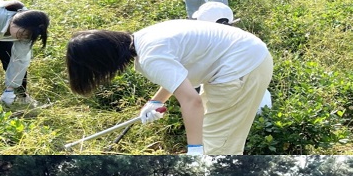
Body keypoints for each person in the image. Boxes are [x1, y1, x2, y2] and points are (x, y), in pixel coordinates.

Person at [65, 18, 273, 155]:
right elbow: (178, 73)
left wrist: (194, 150)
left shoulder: (150, 58)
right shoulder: (144, 38)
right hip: (247, 56)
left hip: (242, 68)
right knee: (214, 136)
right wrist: (156, 101)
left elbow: (192, 101)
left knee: (218, 145)